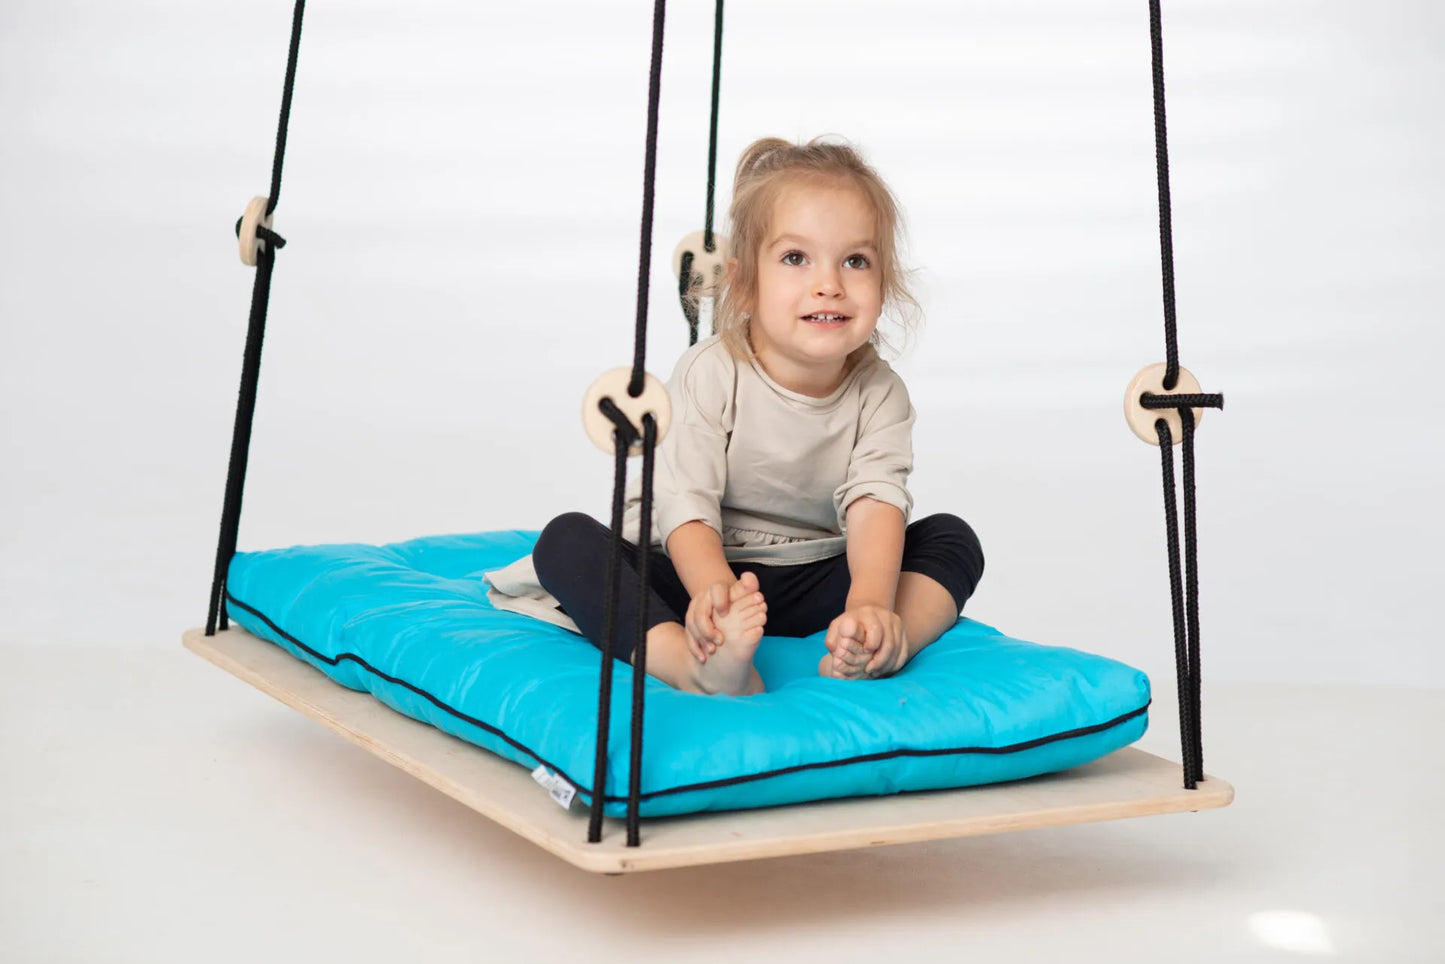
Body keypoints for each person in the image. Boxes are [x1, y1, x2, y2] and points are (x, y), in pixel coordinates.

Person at [489, 136, 984, 696]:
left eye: (856, 260)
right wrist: (716, 594)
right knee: (567, 541)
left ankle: (877, 644)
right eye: (796, 258)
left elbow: (875, 502)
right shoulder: (712, 371)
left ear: (884, 283)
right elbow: (686, 501)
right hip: (689, 566)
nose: (830, 283)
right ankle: (687, 660)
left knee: (951, 540)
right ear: (745, 282)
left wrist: (870, 602)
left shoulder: (881, 392)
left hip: (810, 572)